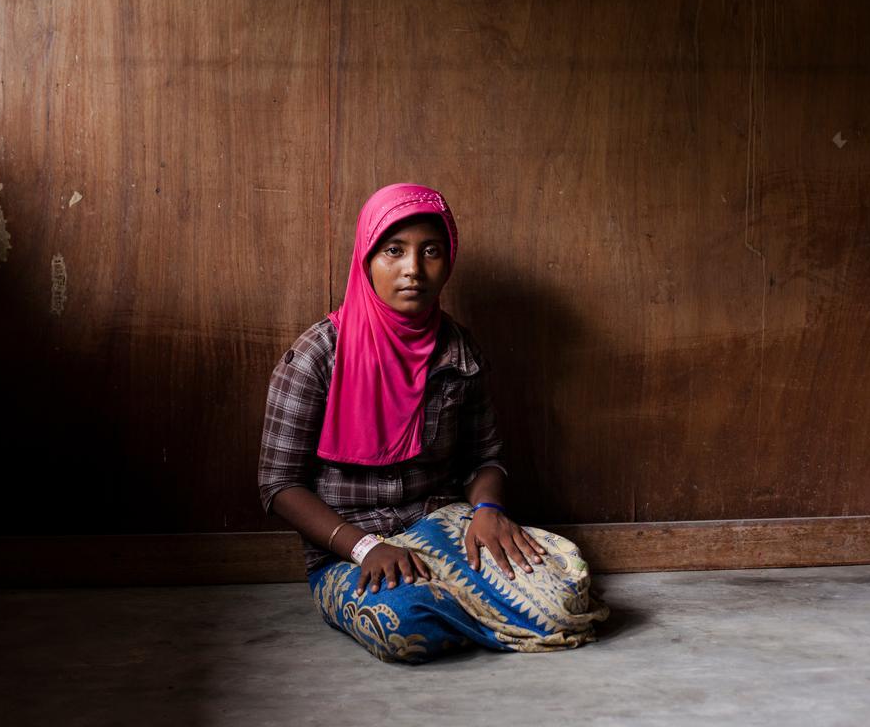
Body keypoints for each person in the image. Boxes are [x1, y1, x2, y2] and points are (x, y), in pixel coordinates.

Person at [257, 183, 609, 663]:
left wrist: (488, 511)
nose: (413, 270)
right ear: (366, 258)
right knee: (405, 622)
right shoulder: (316, 357)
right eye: (393, 251)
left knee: (567, 588)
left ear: (448, 261)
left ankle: (473, 600)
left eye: (431, 252)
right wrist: (363, 548)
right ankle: (484, 606)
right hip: (350, 547)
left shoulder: (457, 349)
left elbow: (485, 458)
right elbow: (278, 485)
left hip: (443, 523)